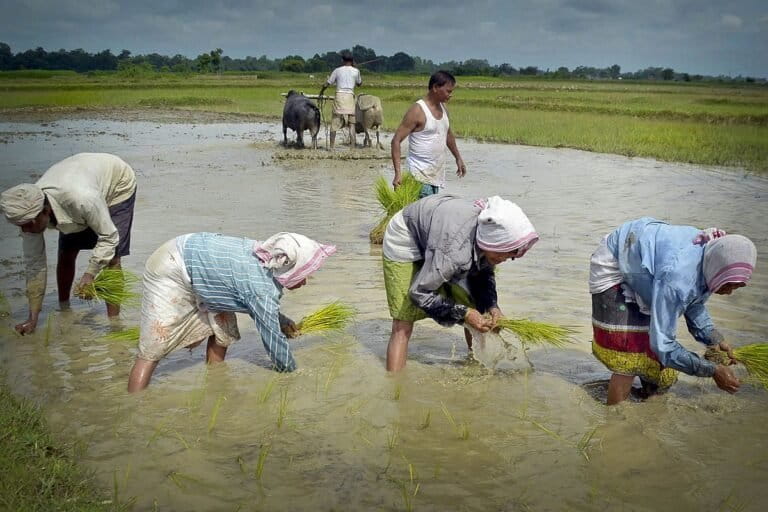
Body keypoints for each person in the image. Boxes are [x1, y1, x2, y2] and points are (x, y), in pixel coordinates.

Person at [127, 231, 336, 392]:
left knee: (223, 329)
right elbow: (272, 340)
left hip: (198, 262)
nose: (305, 281)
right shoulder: (261, 288)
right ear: (288, 269)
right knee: (154, 345)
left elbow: (253, 303)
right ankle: (135, 403)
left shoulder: (266, 258)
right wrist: (291, 372)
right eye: (304, 274)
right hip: (170, 265)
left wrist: (282, 320)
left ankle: (215, 383)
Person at [588, 217, 756, 405]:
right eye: (729, 284)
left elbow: (693, 302)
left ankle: (646, 400)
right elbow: (664, 346)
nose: (730, 292)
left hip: (646, 267)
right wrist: (712, 370)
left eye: (738, 286)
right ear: (718, 269)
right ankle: (613, 418)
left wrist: (715, 339)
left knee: (660, 369)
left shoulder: (710, 261)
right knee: (629, 356)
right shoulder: (677, 278)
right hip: (616, 260)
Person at [383, 194, 538, 371]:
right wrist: (464, 314)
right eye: (505, 253)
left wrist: (492, 306)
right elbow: (419, 293)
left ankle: (475, 367)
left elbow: (483, 275)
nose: (508, 258)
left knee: (476, 307)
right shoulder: (455, 253)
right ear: (492, 243)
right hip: (406, 234)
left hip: (441, 233)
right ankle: (394, 390)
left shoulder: (488, 240)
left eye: (512, 254)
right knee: (403, 322)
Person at [0, 153, 137, 334]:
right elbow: (35, 265)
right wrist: (32, 318)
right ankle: (64, 308)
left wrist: (90, 274)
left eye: (27, 225)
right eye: (21, 226)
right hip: (76, 180)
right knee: (66, 252)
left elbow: (109, 236)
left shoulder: (82, 199)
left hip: (117, 183)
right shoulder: (28, 212)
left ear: (46, 212)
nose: (25, 231)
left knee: (112, 259)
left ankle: (114, 322)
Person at [391, 70, 467, 199]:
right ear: (436, 87)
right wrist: (398, 174)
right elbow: (396, 141)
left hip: (434, 178)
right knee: (420, 217)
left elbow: (448, 134)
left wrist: (458, 158)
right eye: (448, 91)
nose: (450, 95)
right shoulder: (417, 110)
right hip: (417, 177)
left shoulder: (443, 109)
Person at [320, 52, 362, 149]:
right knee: (352, 124)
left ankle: (331, 147)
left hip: (339, 97)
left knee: (334, 123)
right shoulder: (356, 71)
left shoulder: (337, 70)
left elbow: (327, 83)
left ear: (342, 61)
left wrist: (321, 91)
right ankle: (352, 147)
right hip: (350, 98)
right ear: (352, 61)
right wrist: (355, 69)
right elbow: (360, 83)